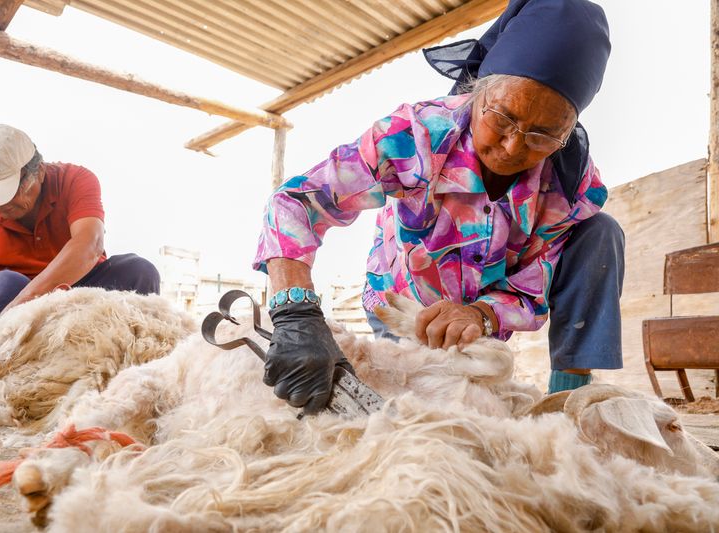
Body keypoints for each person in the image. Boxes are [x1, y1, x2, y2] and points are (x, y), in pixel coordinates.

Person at [253, 0, 625, 414]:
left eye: (543, 135)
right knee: (402, 404)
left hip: (478, 323)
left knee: (601, 233)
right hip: (401, 304)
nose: (513, 146)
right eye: (502, 118)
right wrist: (294, 311)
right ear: (478, 90)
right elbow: (297, 202)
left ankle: (569, 395)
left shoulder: (569, 187)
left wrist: (482, 314)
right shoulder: (416, 137)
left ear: (568, 131)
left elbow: (531, 286)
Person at [0, 124, 160, 366]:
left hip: (71, 292)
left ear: (39, 172)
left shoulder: (74, 180)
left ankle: (131, 365)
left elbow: (90, 243)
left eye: (7, 193)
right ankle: (2, 363)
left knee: (139, 271)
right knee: (4, 287)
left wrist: (26, 305)